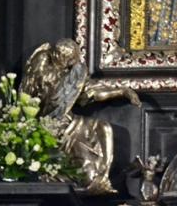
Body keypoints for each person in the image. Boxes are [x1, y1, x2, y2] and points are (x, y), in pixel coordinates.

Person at [20, 39, 140, 194]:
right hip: (52, 125)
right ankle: (87, 182)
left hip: (69, 120)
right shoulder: (43, 70)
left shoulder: (72, 75)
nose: (67, 62)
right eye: (66, 57)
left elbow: (92, 91)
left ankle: (102, 177)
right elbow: (32, 97)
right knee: (85, 169)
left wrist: (122, 91)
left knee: (103, 127)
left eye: (70, 59)